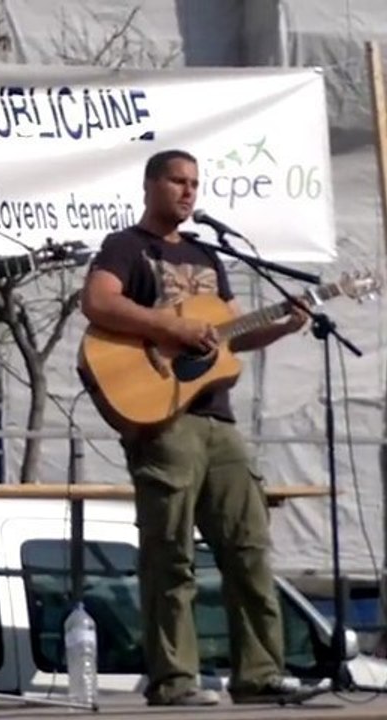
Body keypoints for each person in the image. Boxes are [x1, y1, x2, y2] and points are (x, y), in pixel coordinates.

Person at [80, 149, 315, 707]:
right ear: (150, 185)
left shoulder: (210, 253)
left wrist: (285, 324)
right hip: (163, 416)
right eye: (177, 181)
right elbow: (98, 301)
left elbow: (229, 334)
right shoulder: (126, 246)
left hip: (217, 416)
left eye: (194, 183)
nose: (188, 191)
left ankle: (259, 674)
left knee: (248, 545)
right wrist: (170, 326)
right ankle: (174, 680)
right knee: (171, 553)